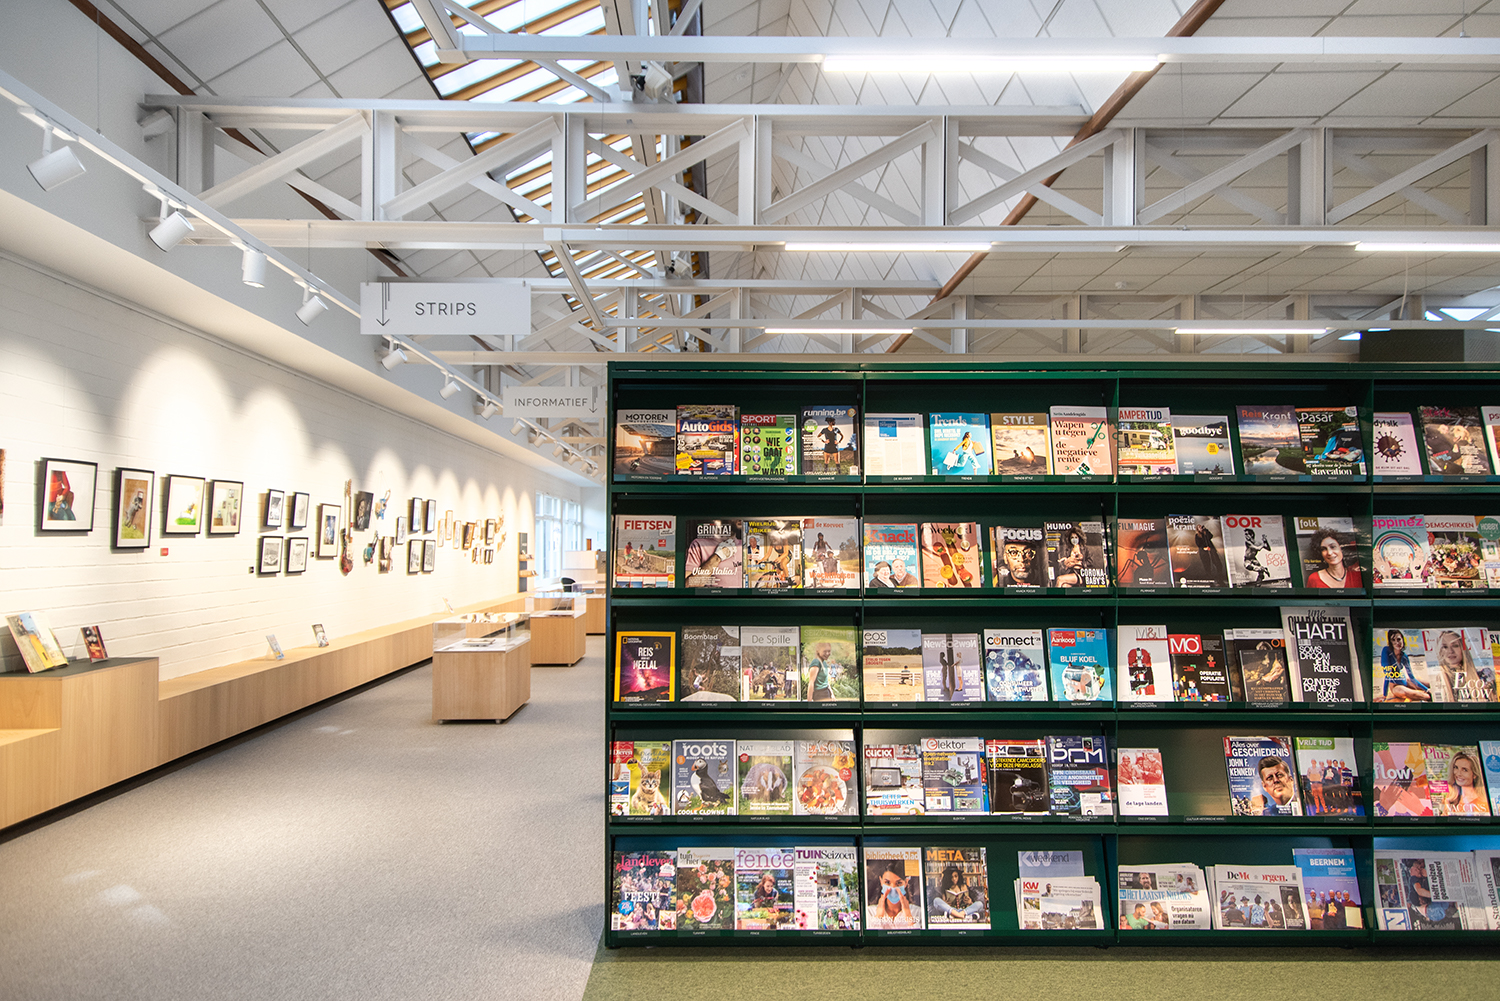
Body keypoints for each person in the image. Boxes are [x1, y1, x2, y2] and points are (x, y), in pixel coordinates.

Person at [1378, 629, 1433, 702]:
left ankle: (1431, 692)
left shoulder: (1404, 657)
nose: (1397, 642)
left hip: (1406, 680)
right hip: (1395, 686)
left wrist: (1427, 689)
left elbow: (1412, 678)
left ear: (1402, 640)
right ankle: (1430, 697)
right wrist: (1384, 695)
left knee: (1430, 684)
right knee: (1409, 693)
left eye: (1398, 639)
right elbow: (1387, 675)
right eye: (1393, 640)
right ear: (1390, 642)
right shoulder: (1386, 651)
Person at [867, 861, 917, 929]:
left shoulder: (917, 912)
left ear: (906, 882)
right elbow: (871, 935)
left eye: (899, 883)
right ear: (881, 881)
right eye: (887, 882)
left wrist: (908, 917)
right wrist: (878, 916)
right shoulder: (870, 912)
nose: (893, 887)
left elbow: (919, 934)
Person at [1446, 750, 1488, 814]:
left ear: (1474, 775)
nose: (1458, 774)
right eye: (1456, 767)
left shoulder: (1484, 802)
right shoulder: (1450, 797)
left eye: (1465, 770)